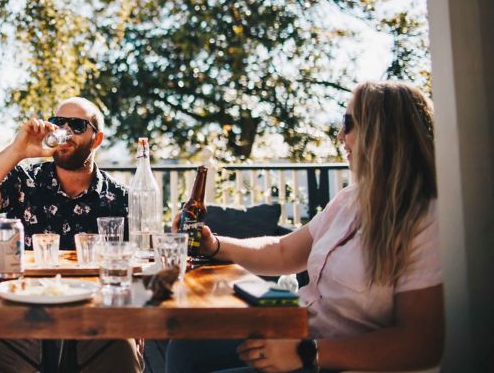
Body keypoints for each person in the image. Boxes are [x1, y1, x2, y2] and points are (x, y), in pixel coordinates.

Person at [166, 81, 443, 373]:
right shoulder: (351, 199)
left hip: (328, 359)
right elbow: (284, 251)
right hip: (295, 331)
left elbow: (421, 343)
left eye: (348, 124)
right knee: (187, 347)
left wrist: (308, 353)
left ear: (382, 133)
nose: (339, 136)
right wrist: (215, 245)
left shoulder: (424, 218)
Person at [0, 96, 143, 373]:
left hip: (95, 315)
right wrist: (17, 151)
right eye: (57, 123)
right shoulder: (26, 181)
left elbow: (137, 269)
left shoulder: (120, 198)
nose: (64, 131)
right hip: (21, 311)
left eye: (76, 125)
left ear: (96, 139)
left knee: (121, 351)